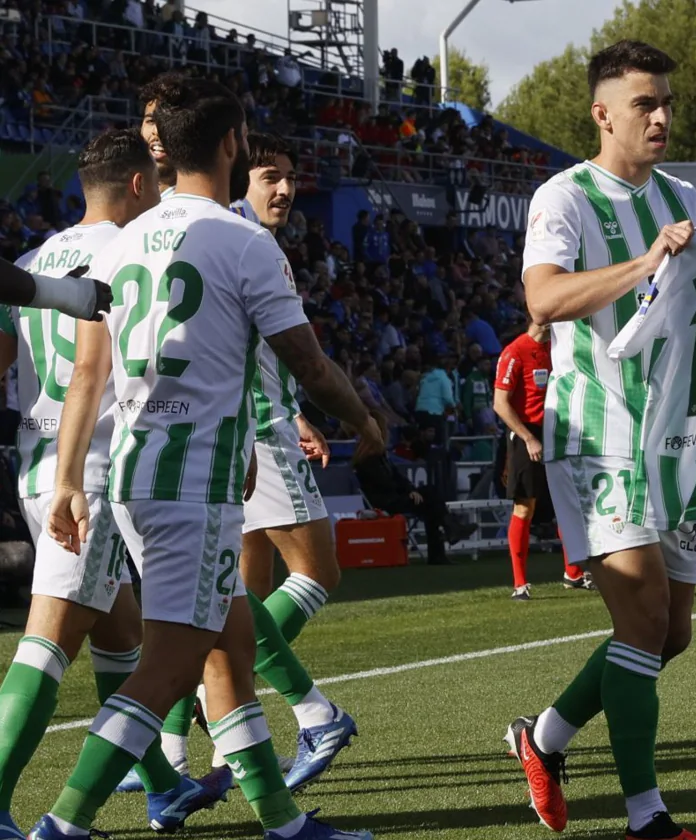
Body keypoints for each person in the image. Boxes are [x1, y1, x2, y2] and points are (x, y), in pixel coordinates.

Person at [28, 77, 381, 840]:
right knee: (171, 668)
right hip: (193, 479)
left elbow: (89, 374)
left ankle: (283, 822)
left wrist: (65, 481)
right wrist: (365, 420)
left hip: (136, 468)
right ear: (231, 145)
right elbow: (309, 365)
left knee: (234, 644)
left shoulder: (119, 244)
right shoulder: (244, 241)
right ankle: (64, 823)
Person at [504, 40, 696, 840]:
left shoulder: (688, 196)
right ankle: (646, 817)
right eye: (644, 104)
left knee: (670, 635)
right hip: (597, 433)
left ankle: (544, 737)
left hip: (675, 441)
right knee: (641, 619)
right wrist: (644, 262)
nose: (662, 116)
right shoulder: (563, 198)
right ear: (603, 114)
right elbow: (545, 295)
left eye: (666, 102)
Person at [0, 129, 229, 839]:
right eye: (155, 185)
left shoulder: (34, 258)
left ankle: (162, 787)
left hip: (36, 464)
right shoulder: (133, 255)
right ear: (138, 185)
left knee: (119, 626)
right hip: (92, 472)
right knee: (47, 640)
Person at [227, 131, 358, 791]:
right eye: (267, 176)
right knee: (318, 571)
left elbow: (251, 349)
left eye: (289, 177)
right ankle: (241, 687)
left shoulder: (239, 237)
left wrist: (297, 411)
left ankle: (202, 743)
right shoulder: (246, 240)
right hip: (255, 433)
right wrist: (352, 414)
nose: (282, 189)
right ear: (239, 178)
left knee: (240, 591)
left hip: (249, 425)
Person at [494, 318, 591, 600]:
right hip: (528, 435)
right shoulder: (514, 352)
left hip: (556, 432)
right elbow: (500, 403)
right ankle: (520, 583)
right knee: (525, 507)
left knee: (567, 503)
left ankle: (572, 573)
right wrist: (527, 437)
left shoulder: (557, 349)